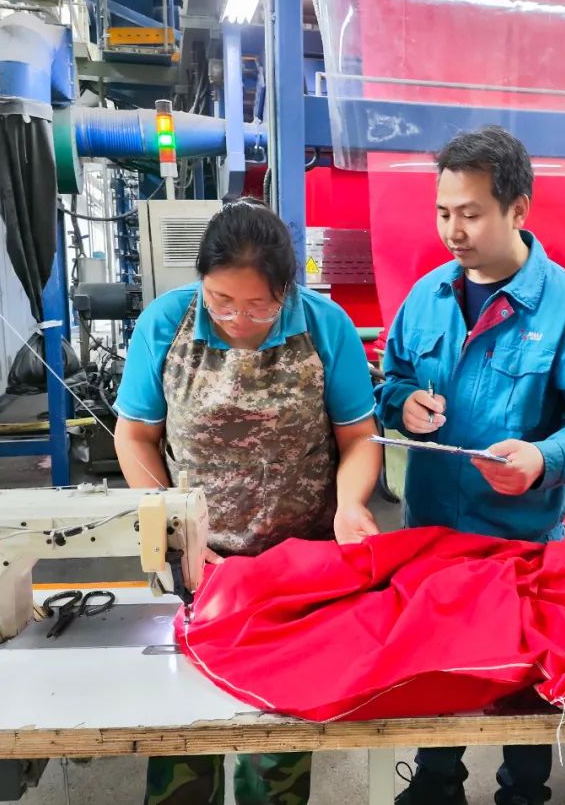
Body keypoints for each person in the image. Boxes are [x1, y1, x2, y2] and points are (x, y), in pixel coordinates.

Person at [375, 126, 565, 805]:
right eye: (443, 212)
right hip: (432, 537)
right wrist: (402, 404)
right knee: (436, 670)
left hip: (521, 545)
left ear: (518, 209)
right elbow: (390, 381)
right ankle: (436, 785)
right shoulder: (426, 297)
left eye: (471, 213)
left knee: (526, 684)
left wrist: (543, 458)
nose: (452, 231)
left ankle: (524, 792)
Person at [113, 198, 382, 805]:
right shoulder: (166, 324)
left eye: (259, 305)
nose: (238, 318)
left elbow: (359, 436)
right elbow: (134, 436)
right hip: (195, 563)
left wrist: (349, 504)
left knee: (277, 731)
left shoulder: (325, 327)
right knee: (184, 727)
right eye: (222, 301)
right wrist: (173, 526)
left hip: (297, 569)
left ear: (287, 288)